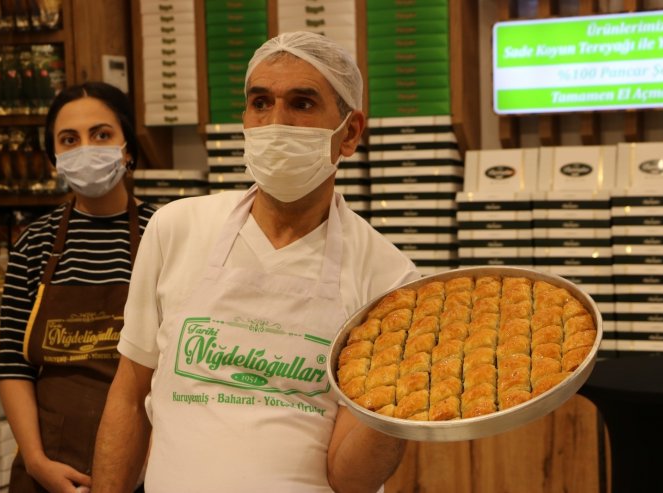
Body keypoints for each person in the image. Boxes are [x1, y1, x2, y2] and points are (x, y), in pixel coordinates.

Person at [92, 31, 421, 493]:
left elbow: (352, 480)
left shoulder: (388, 277)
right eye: (261, 102)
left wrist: (397, 397)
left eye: (302, 104)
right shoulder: (177, 229)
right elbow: (128, 396)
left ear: (349, 133)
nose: (275, 122)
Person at [0, 81, 158, 493]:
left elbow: (182, 367)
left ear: (127, 148)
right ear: (55, 158)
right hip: (49, 467)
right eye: (69, 140)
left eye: (101, 134)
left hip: (147, 464)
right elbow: (13, 367)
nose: (86, 148)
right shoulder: (34, 243)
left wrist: (146, 465)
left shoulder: (165, 233)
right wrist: (35, 461)